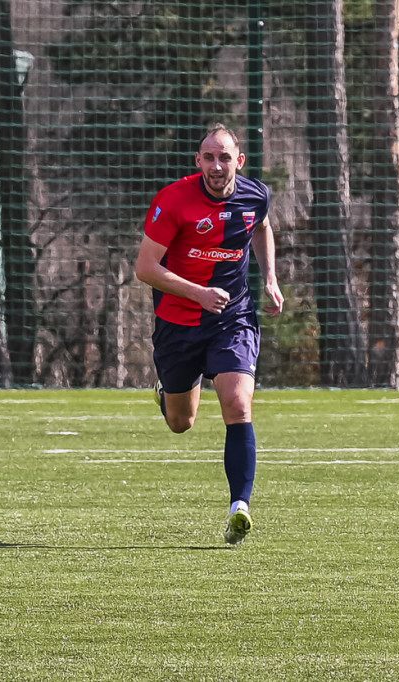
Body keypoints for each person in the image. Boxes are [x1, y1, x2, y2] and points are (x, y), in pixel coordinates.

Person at [134, 123, 284, 546]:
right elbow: (145, 269)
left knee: (238, 403)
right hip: (179, 322)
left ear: (239, 161)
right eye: (208, 158)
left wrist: (270, 277)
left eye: (224, 158)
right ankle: (168, 389)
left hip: (232, 317)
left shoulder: (256, 195)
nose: (216, 166)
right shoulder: (173, 200)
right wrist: (198, 293)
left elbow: (262, 226)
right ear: (198, 161)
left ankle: (240, 506)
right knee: (181, 423)